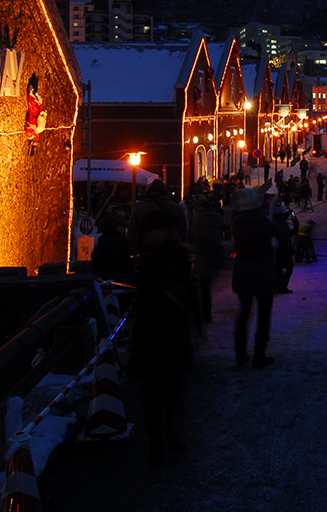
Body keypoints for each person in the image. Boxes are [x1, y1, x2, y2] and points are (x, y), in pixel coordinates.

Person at [128, 193, 195, 461]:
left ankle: (172, 434)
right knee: (153, 393)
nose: (153, 235)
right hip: (150, 332)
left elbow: (188, 291)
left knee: (172, 391)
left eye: (157, 231)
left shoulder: (178, 257)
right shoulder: (139, 262)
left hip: (171, 329)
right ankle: (157, 442)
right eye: (149, 231)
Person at [231, 183, 279, 368]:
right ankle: (260, 355)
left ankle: (240, 354)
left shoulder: (238, 222)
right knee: (263, 315)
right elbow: (280, 233)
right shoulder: (264, 222)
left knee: (243, 313)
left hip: (242, 271)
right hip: (262, 271)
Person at [187, 197, 225, 323]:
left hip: (200, 257)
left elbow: (193, 237)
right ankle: (207, 313)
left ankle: (200, 313)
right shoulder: (216, 219)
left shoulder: (197, 221)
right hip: (213, 255)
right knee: (206, 287)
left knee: (198, 287)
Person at [91, 211, 133, 285]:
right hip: (122, 276)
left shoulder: (103, 240)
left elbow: (97, 258)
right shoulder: (122, 239)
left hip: (106, 275)